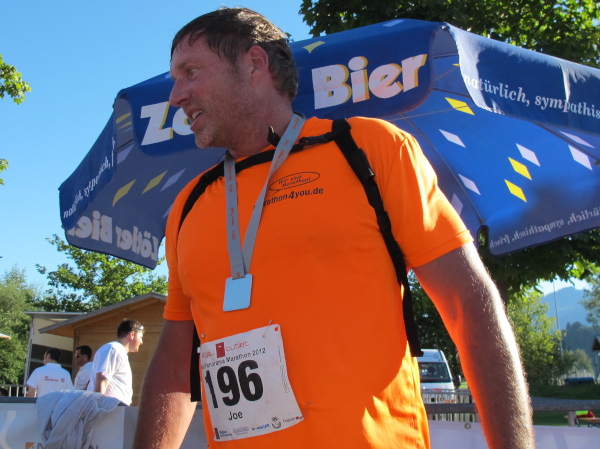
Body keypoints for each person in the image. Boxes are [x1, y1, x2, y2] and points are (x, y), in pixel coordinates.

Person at [133, 7, 535, 449]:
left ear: (254, 63)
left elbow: (468, 304)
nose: (176, 96)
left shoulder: (369, 148)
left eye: (190, 72)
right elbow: (175, 364)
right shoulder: (188, 205)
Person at [87, 319, 144, 405]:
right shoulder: (113, 349)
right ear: (132, 334)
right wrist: (97, 407)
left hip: (115, 407)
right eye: (141, 337)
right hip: (109, 407)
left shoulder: (118, 350)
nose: (141, 342)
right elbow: (102, 379)